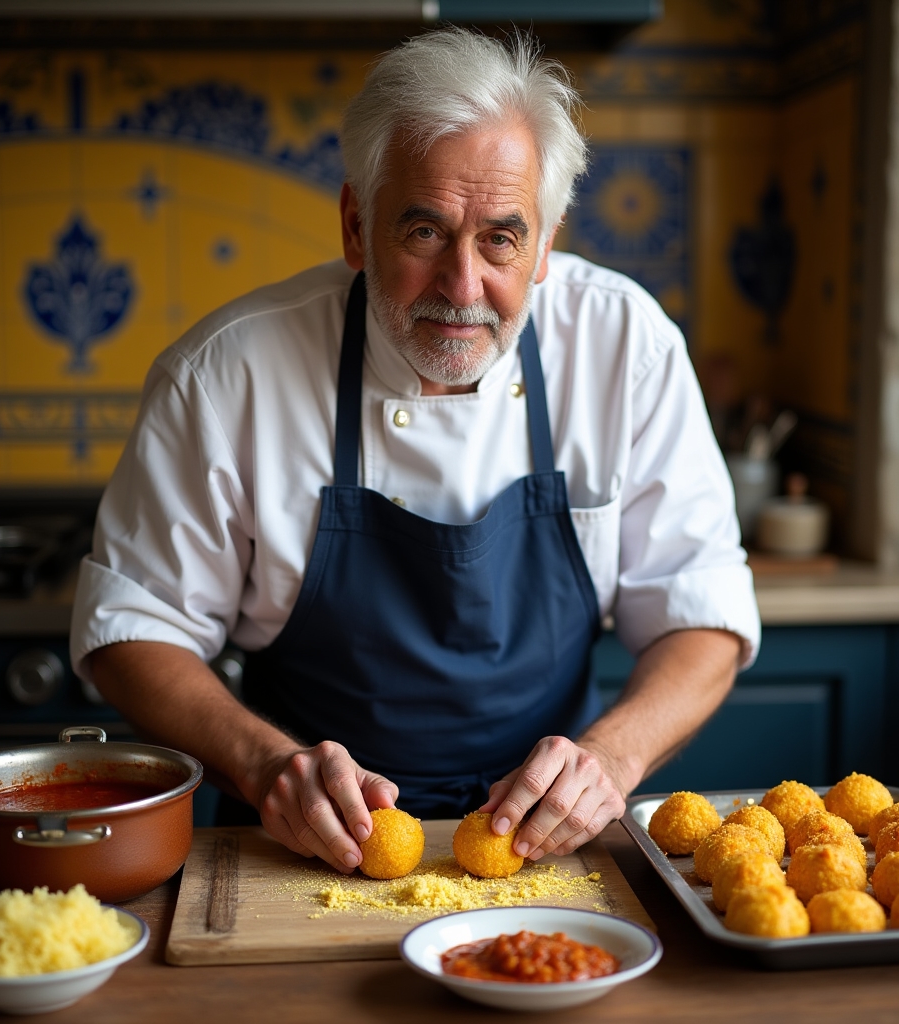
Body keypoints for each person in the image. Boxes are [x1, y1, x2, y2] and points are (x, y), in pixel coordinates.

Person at [70, 28, 759, 875]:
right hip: (297, 851)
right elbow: (133, 629)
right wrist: (261, 764)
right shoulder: (225, 375)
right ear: (357, 226)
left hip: (555, 851)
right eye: (425, 232)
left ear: (546, 245)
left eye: (502, 238)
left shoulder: (626, 348)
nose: (462, 288)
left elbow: (703, 613)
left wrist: (610, 761)